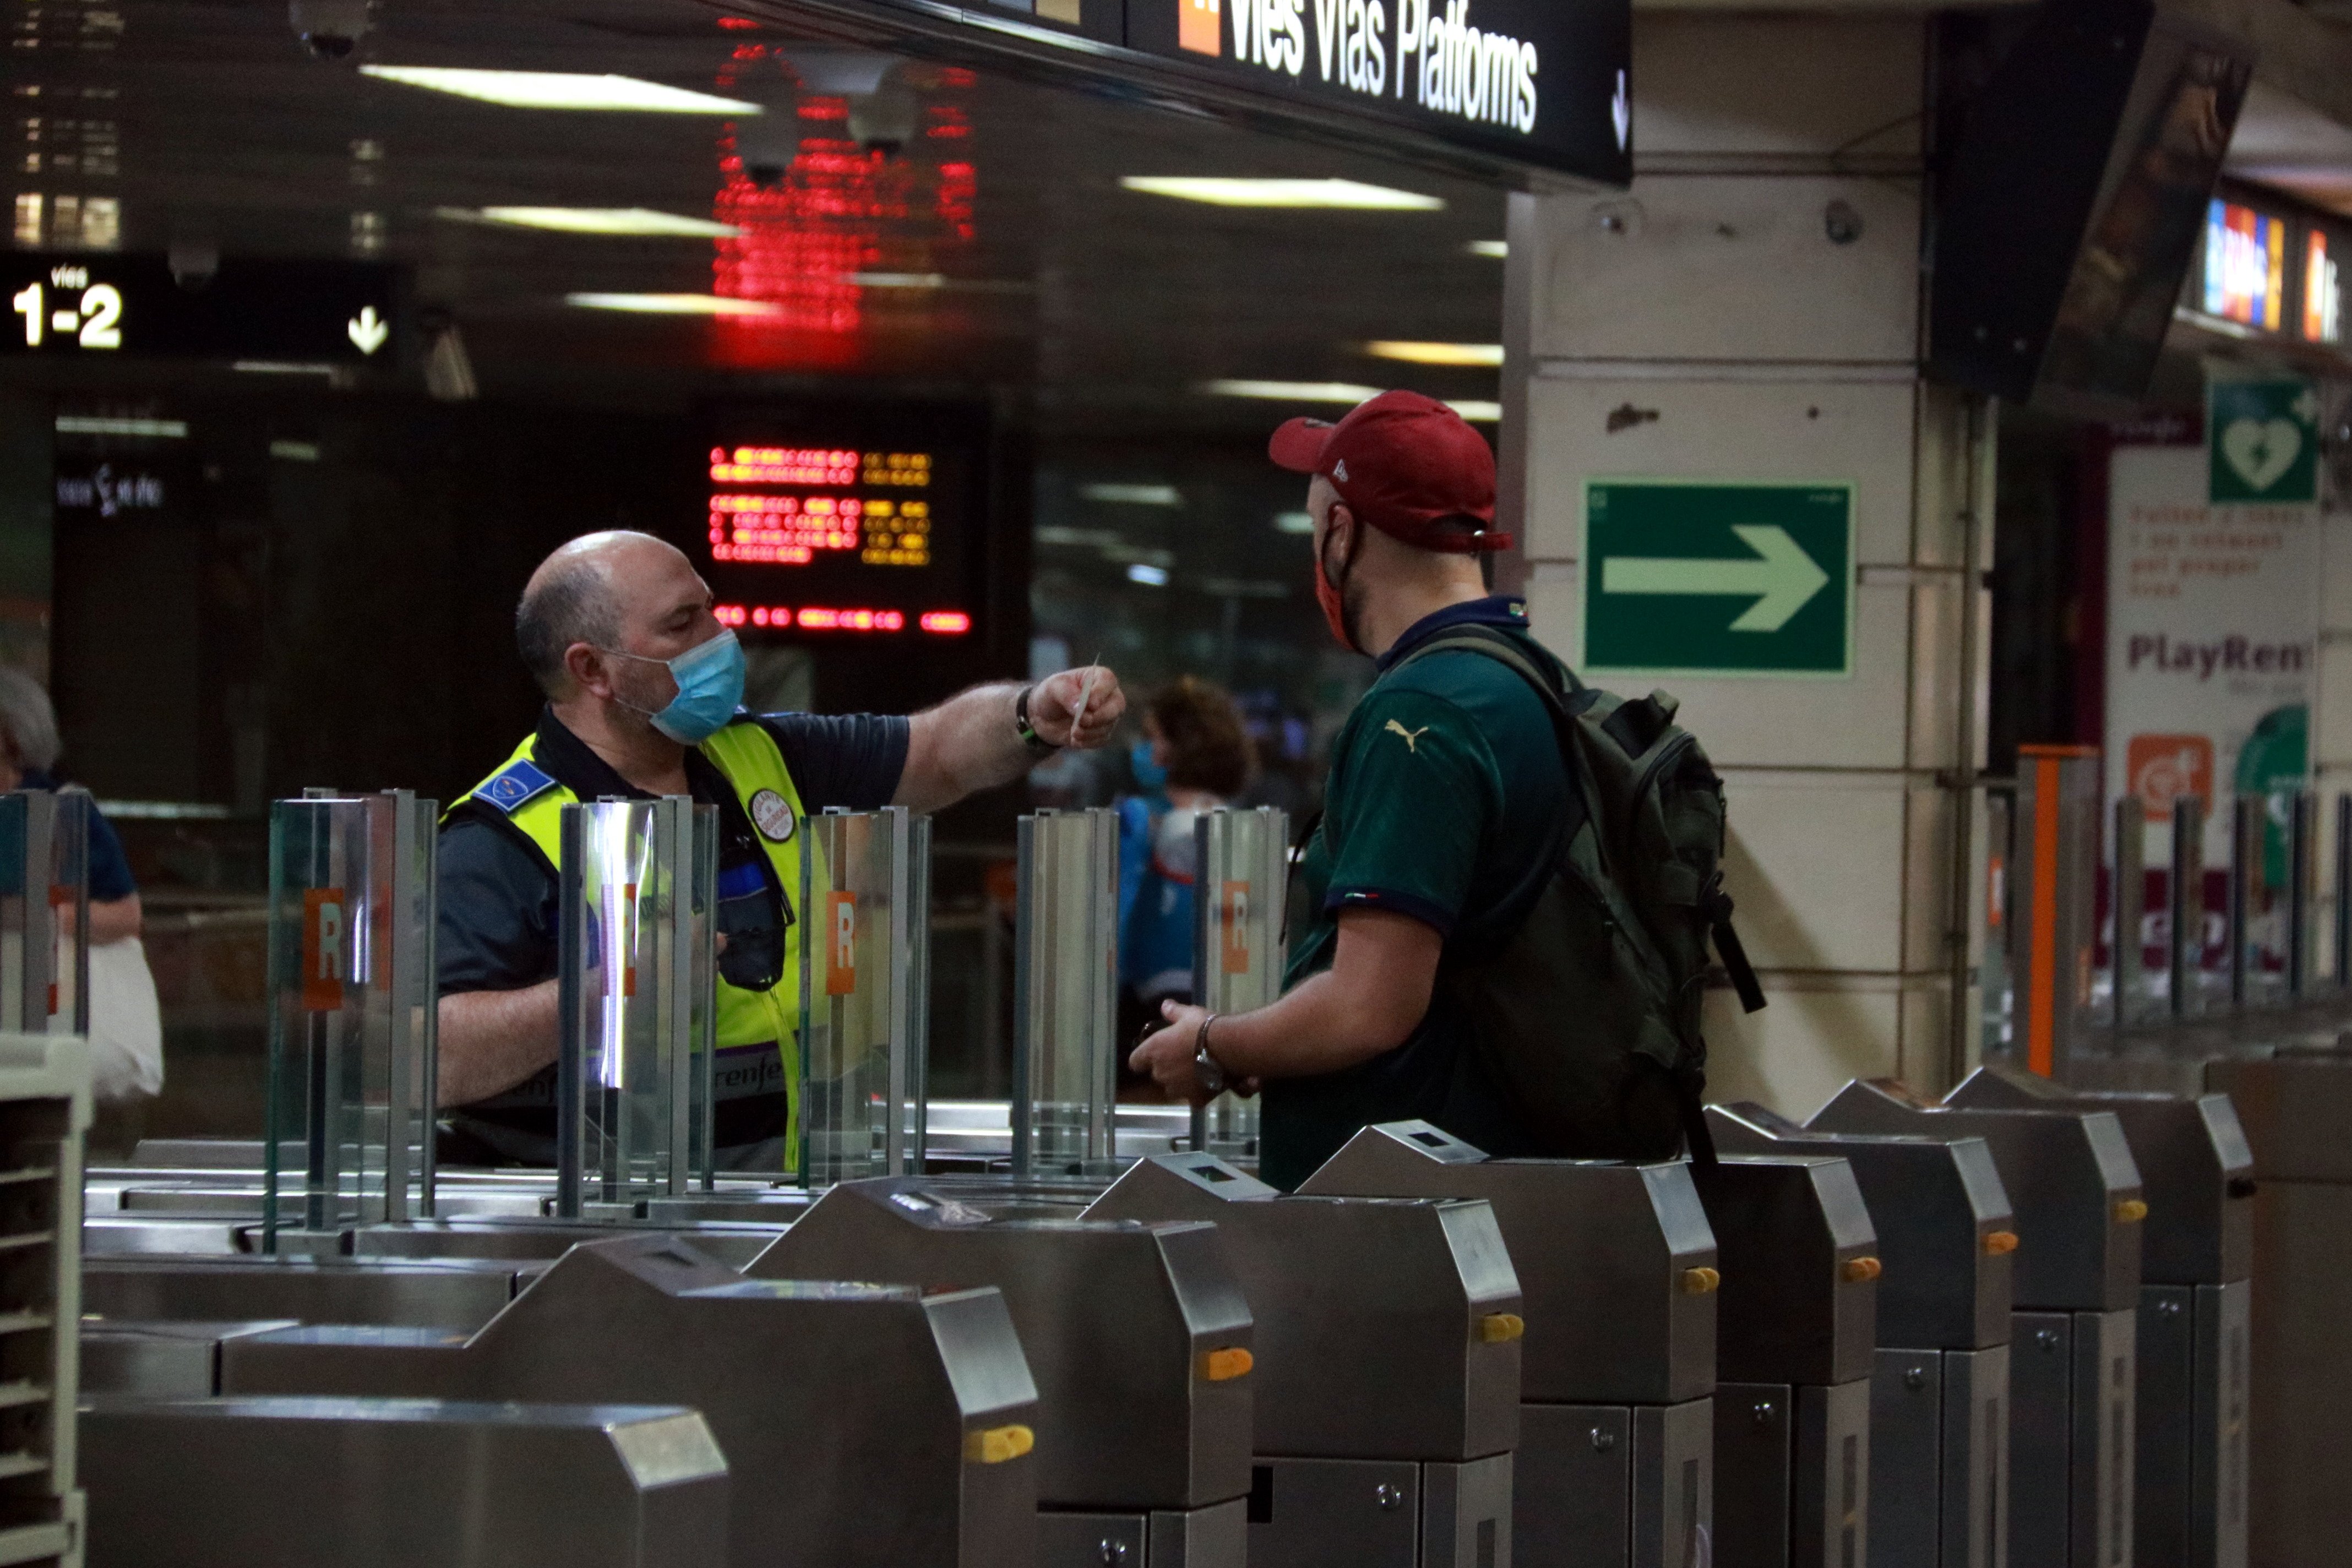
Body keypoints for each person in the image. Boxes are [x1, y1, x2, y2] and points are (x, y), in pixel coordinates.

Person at [437, 530, 1124, 1169]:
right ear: (592, 669)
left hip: (776, 1211)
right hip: (592, 1234)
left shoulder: (760, 753)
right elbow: (429, 1055)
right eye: (683, 625)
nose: (720, 637)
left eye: (711, 610)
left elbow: (941, 751)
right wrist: (607, 993)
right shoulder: (506, 832)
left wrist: (1033, 716)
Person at [1130, 390, 1610, 1188]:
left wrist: (1216, 1043)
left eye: (1319, 524)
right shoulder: (1528, 681)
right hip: (1483, 1176)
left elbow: (1369, 1006)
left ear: (1342, 534)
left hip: (1396, 1202)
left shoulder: (1420, 716)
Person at [0, 667, 161, 1101]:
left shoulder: (62, 813)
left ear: (14, 741)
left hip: (41, 1001)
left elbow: (127, 915)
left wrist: (44, 919)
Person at [1115, 677, 1254, 1092]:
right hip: (1183, 985)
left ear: (1183, 744)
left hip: (1167, 993)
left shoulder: (1182, 827)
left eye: (1152, 738)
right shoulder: (1224, 820)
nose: (1144, 750)